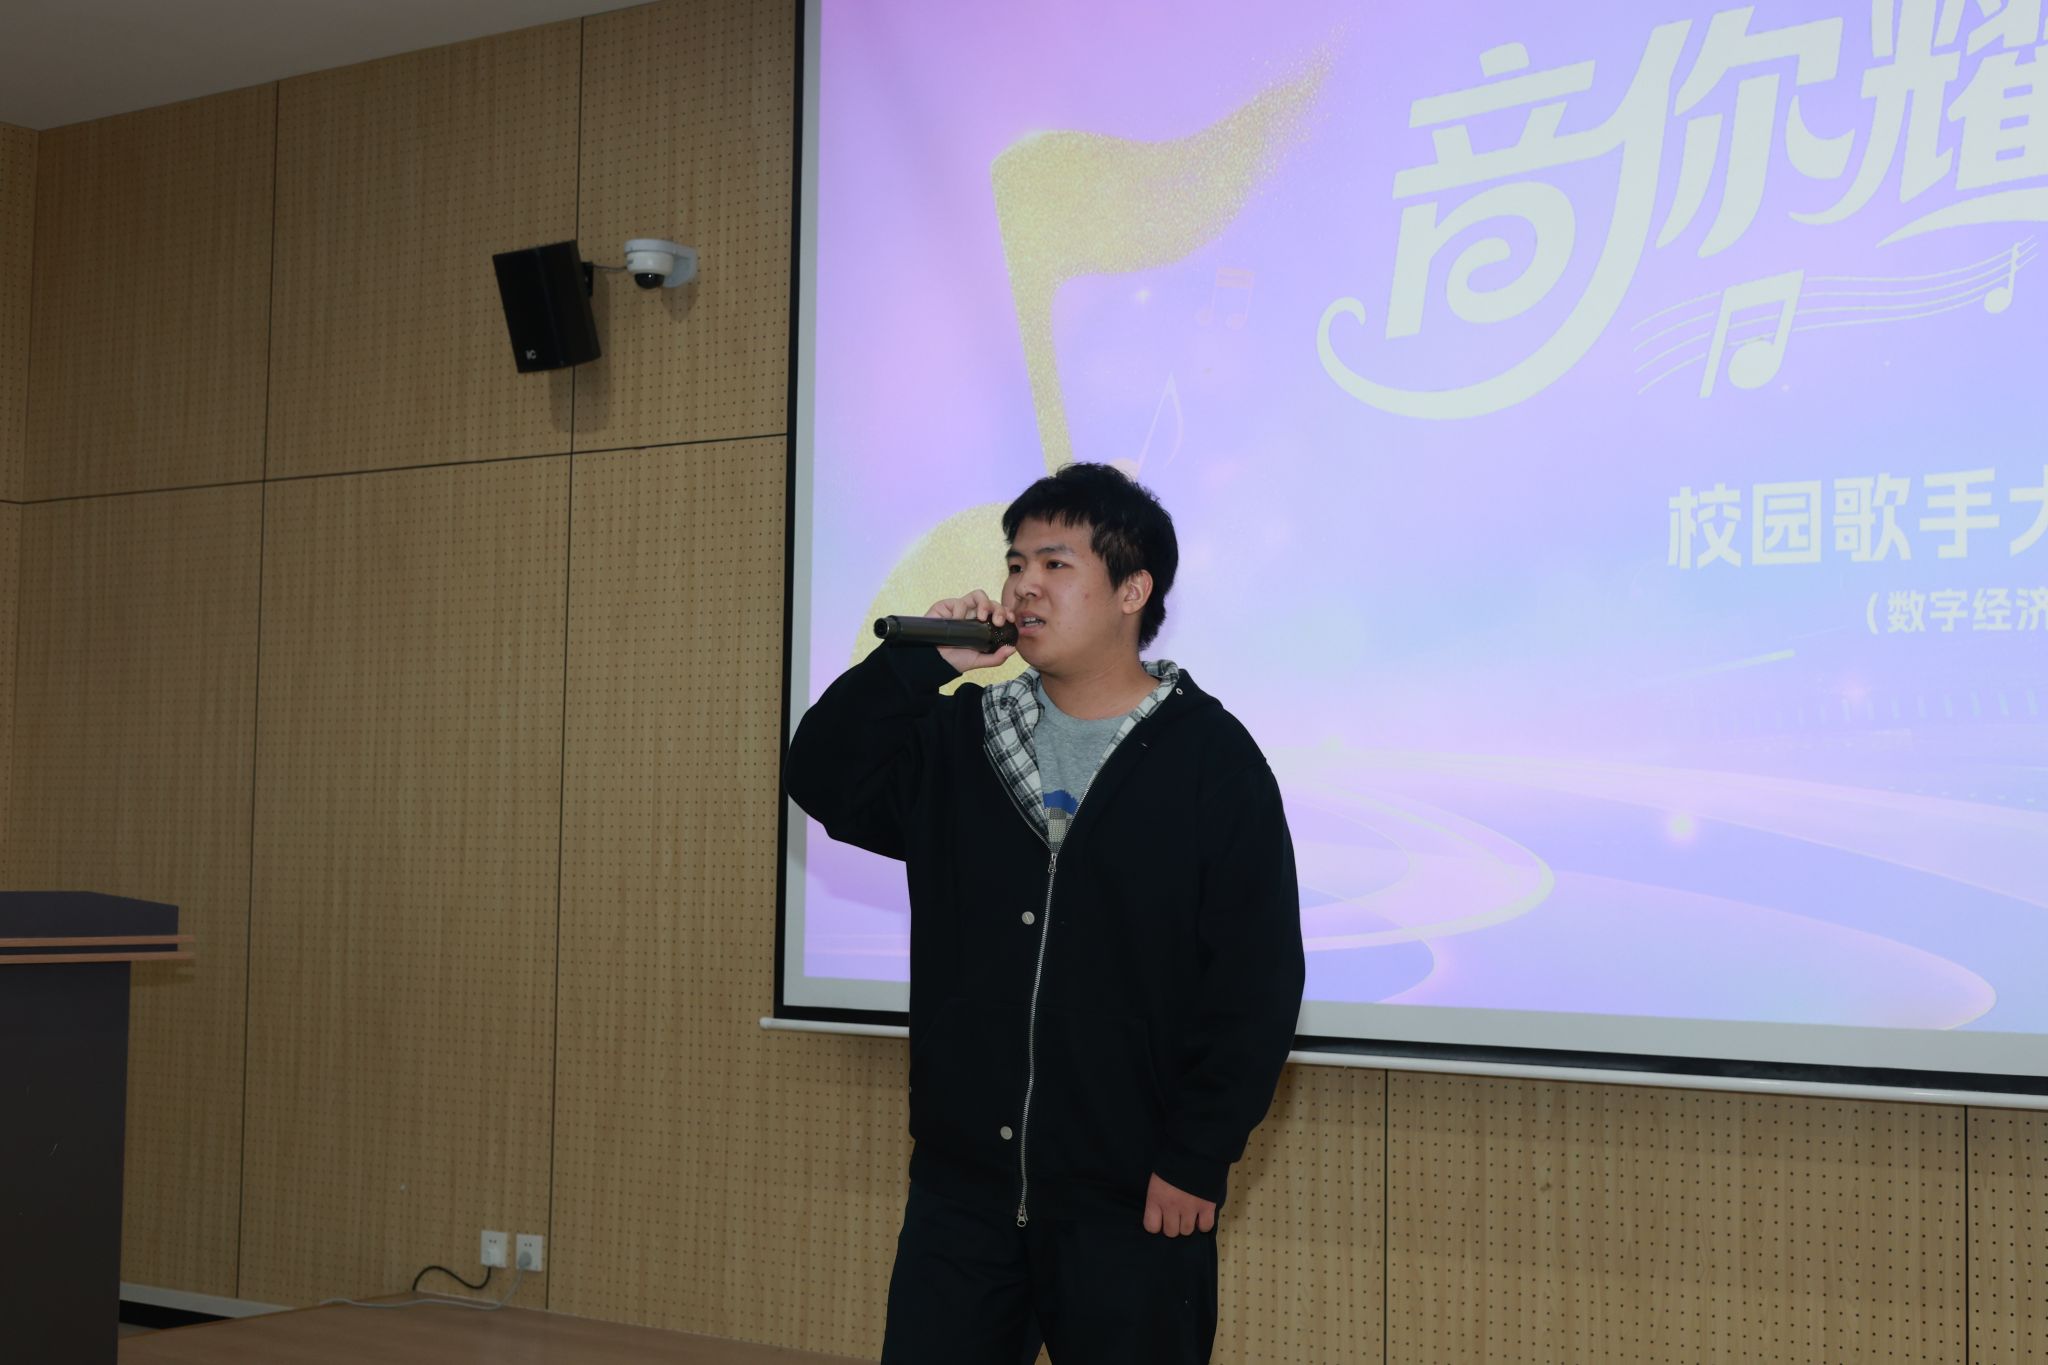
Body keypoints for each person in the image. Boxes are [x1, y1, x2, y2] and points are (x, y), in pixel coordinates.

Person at [786, 462, 1303, 1365]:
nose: (1025, 584)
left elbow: (1255, 983)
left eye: (1056, 564)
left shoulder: (1211, 761)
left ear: (1132, 590)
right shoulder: (962, 740)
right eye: (1017, 562)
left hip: (1134, 1198)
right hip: (962, 1194)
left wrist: (1196, 1155)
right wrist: (919, 661)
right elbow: (822, 773)